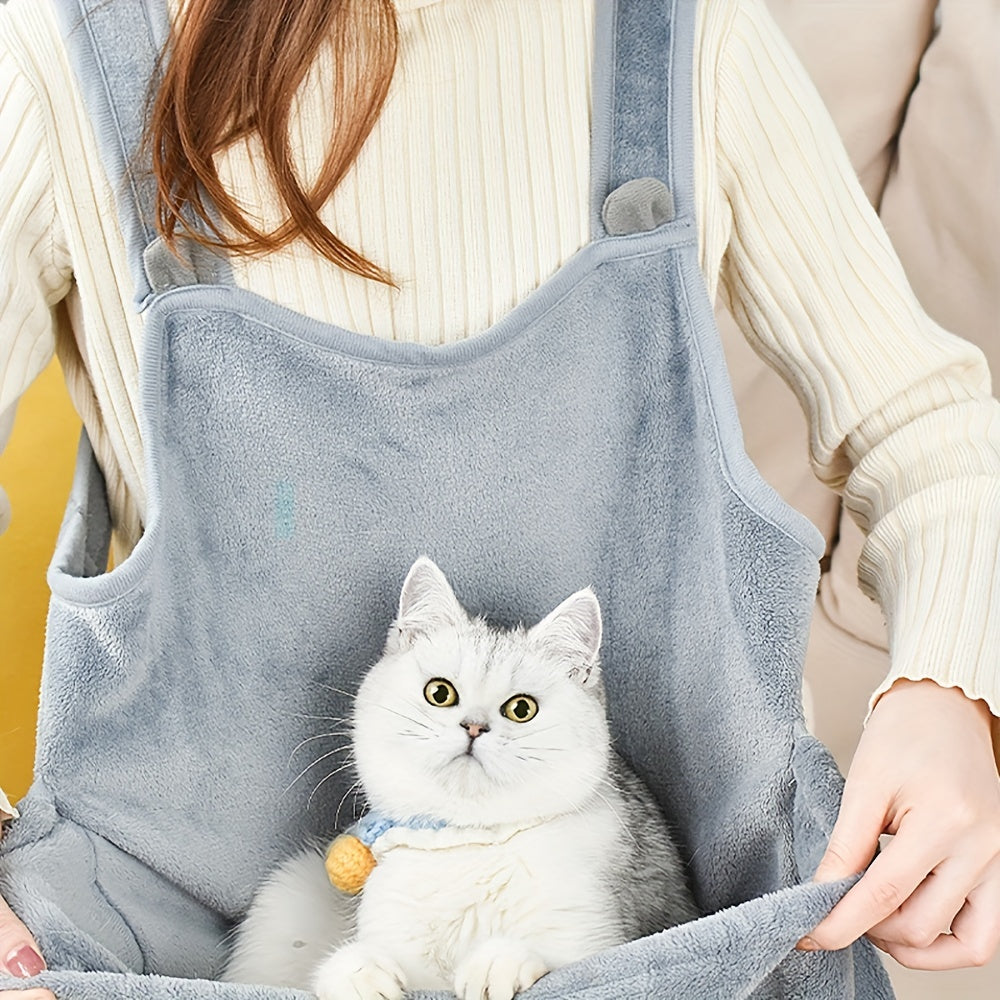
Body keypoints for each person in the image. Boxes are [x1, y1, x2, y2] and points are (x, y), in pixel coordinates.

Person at [0, 0, 998, 996]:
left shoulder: (685, 40)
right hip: (181, 943)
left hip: (662, 944)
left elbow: (926, 427)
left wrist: (947, 694)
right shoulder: (68, 56)